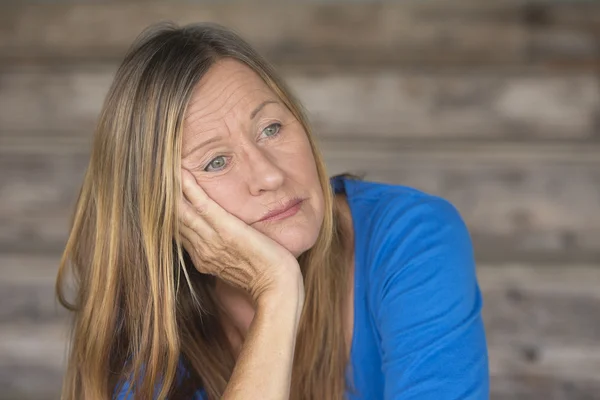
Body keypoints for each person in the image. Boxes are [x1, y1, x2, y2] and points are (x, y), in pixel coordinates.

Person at [55, 22, 489, 400]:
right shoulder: (148, 335)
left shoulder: (410, 238)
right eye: (216, 161)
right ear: (165, 209)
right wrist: (277, 294)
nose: (269, 175)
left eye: (271, 128)